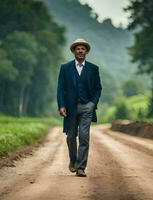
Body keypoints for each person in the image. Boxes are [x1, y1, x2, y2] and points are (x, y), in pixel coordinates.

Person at [57, 38, 102, 177]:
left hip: (86, 107)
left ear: (86, 52)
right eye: (78, 48)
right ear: (74, 51)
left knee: (84, 137)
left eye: (83, 49)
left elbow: (98, 89)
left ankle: (81, 167)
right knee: (71, 137)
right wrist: (62, 105)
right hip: (70, 108)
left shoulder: (94, 69)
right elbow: (60, 88)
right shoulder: (65, 68)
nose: (80, 51)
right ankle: (73, 160)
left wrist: (92, 104)